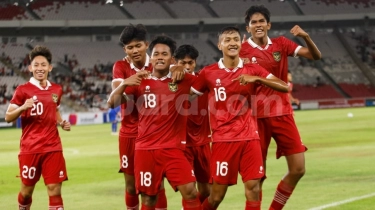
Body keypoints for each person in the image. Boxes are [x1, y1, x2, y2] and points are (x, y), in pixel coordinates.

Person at [191, 26, 289, 210]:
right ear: (220, 45)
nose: (232, 43)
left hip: (250, 138)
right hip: (223, 141)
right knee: (217, 195)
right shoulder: (208, 73)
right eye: (227, 40)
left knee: (253, 189)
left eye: (235, 39)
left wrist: (258, 80)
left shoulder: (253, 69)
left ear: (241, 43)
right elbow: (187, 95)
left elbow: (283, 86)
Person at [240, 5, 321, 210]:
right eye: (253, 22)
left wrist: (306, 37)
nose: (258, 25)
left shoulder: (281, 44)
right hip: (255, 117)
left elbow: (315, 56)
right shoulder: (241, 51)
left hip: (283, 113)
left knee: (298, 169)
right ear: (248, 28)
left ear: (268, 24)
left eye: (261, 21)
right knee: (258, 176)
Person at [108, 35, 201, 210]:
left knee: (190, 191)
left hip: (173, 149)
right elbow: (112, 103)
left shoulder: (182, 79)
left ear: (171, 59)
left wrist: (181, 67)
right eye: (156, 53)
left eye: (164, 54)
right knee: (149, 198)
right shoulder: (139, 80)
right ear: (151, 57)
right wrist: (124, 83)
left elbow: (208, 82)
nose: (160, 57)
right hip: (146, 150)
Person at [5, 45, 71, 210]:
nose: (39, 68)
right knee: (27, 191)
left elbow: (54, 108)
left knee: (54, 189)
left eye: (43, 65)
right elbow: (8, 117)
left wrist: (61, 122)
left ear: (50, 67)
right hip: (30, 148)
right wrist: (22, 108)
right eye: (36, 65)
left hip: (53, 147)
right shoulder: (22, 90)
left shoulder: (57, 89)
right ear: (30, 68)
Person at [174, 45, 211, 203]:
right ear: (176, 63)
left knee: (206, 190)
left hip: (203, 142)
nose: (187, 67)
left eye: (191, 62)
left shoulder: (203, 81)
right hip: (182, 145)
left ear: (195, 62)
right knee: (189, 189)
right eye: (183, 63)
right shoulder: (171, 84)